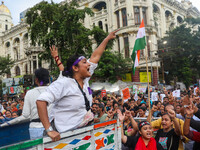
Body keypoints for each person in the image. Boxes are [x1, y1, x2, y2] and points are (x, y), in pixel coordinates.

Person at [36, 30, 119, 142]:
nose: (89, 64)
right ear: (75, 68)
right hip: (60, 137)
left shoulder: (85, 80)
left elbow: (95, 56)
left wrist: (107, 38)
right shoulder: (63, 83)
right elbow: (41, 101)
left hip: (78, 135)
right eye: (85, 62)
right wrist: (49, 130)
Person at [0, 68, 51, 140]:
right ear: (48, 78)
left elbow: (25, 115)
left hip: (36, 129)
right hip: (52, 127)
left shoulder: (30, 93)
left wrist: (7, 123)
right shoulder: (53, 91)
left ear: (36, 80)